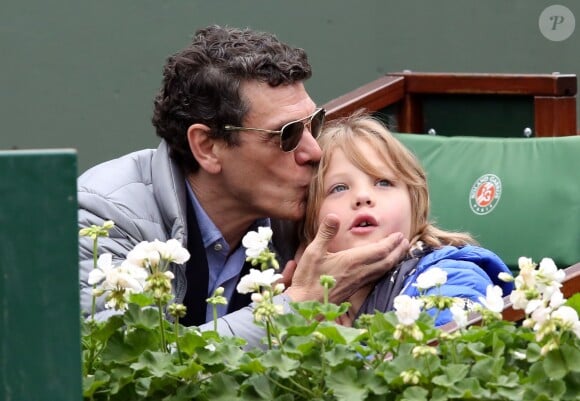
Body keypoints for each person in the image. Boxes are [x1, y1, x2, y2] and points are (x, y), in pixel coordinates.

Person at [78, 26, 409, 346]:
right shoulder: (103, 216)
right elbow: (132, 366)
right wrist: (298, 304)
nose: (314, 151)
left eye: (315, 124)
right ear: (208, 147)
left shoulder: (309, 207)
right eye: (287, 134)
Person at [302, 113, 514, 326]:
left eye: (383, 183)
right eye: (339, 188)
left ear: (415, 204)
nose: (362, 197)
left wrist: (347, 345)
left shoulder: (450, 274)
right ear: (311, 222)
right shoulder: (306, 306)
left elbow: (441, 349)